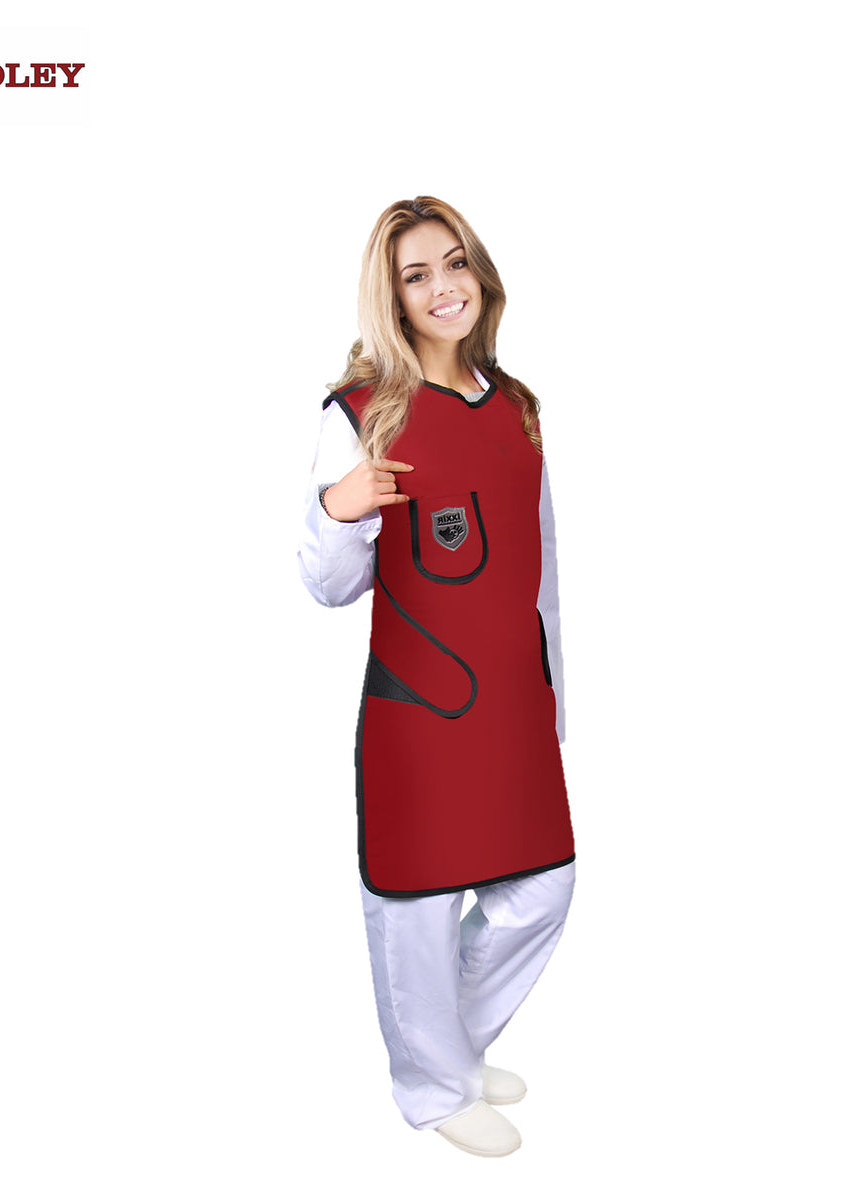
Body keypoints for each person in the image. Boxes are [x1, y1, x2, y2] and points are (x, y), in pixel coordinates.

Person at [297, 197, 575, 1158]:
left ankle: (448, 1050)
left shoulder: (517, 406)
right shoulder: (363, 412)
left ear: (479, 273)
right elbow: (329, 587)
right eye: (416, 275)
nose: (443, 287)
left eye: (454, 263)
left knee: (543, 890)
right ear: (393, 297)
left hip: (513, 702)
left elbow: (542, 567)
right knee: (414, 911)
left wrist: (554, 695)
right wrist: (338, 510)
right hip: (419, 707)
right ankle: (432, 1089)